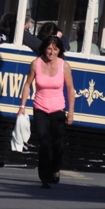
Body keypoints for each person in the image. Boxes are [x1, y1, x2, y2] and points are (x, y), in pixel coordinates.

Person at [19, 35, 75, 189]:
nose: (51, 52)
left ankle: (56, 168)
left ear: (59, 51)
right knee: (44, 142)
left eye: (55, 49)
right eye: (49, 48)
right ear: (44, 48)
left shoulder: (65, 66)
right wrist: (22, 106)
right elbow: (27, 85)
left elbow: (70, 90)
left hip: (58, 109)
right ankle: (44, 177)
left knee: (58, 144)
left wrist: (71, 112)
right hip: (40, 108)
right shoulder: (35, 64)